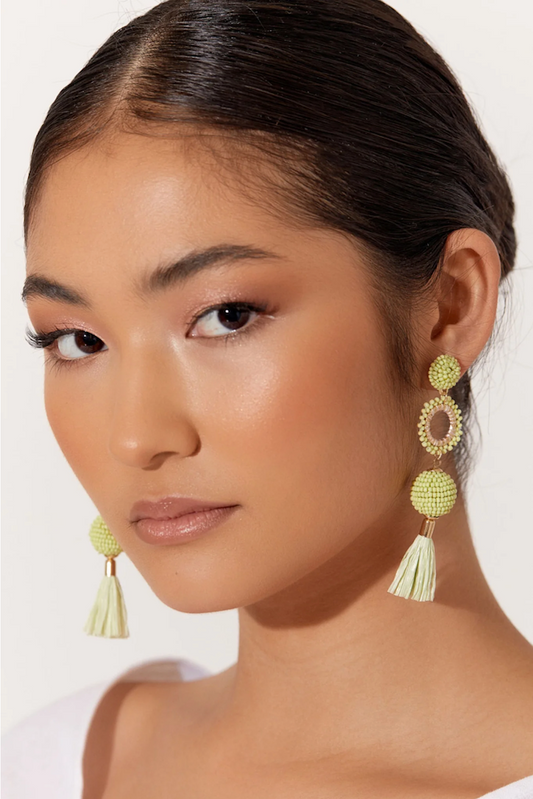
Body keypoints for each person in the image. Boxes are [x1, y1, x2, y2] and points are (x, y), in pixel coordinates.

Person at [3, 0, 533, 797]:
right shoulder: (54, 762)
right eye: (76, 340)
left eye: (226, 316)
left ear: (450, 305)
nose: (136, 436)